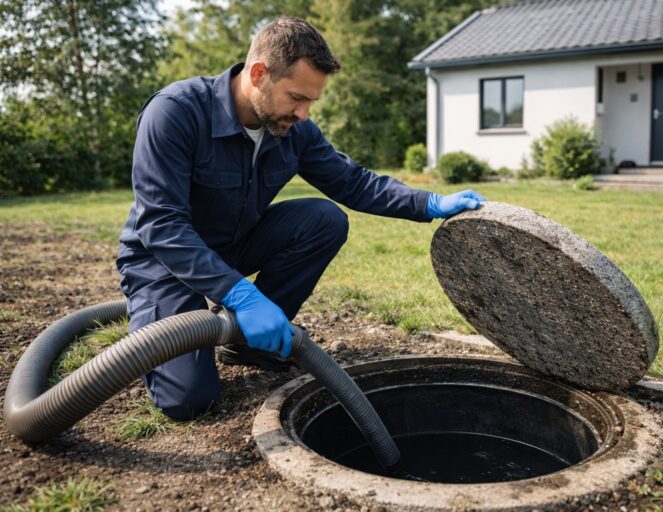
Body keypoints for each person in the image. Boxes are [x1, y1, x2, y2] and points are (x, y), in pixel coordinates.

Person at [116, 16, 485, 421]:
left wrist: (429, 202)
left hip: (232, 246)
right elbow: (162, 225)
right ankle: (185, 320)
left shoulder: (293, 129)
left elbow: (352, 183)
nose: (305, 113)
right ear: (259, 74)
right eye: (297, 97)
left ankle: (247, 345)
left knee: (324, 218)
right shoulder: (176, 113)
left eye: (311, 101)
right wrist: (240, 295)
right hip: (162, 261)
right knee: (189, 400)